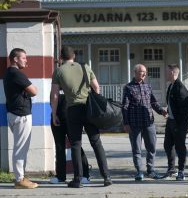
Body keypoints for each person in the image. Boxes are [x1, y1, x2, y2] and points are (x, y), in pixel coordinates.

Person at [50, 46, 112, 188]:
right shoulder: (85, 67)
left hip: (73, 110)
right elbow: (96, 87)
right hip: (89, 108)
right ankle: (106, 177)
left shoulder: (58, 71)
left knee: (76, 144)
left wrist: (54, 114)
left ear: (61, 57)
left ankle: (77, 179)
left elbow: (54, 95)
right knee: (96, 142)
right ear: (74, 56)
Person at [122, 64, 167, 181]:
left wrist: (161, 111)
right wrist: (126, 123)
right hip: (134, 123)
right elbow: (125, 106)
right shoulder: (128, 87)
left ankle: (150, 170)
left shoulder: (148, 86)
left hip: (149, 122)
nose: (144, 74)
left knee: (151, 147)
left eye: (145, 72)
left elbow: (153, 102)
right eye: (142, 72)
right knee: (136, 149)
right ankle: (139, 172)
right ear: (135, 72)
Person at [3, 48, 38, 189]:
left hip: (15, 114)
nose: (26, 61)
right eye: (24, 58)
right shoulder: (16, 73)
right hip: (21, 115)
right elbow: (34, 91)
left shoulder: (9, 73)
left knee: (21, 147)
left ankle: (21, 176)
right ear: (15, 59)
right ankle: (19, 179)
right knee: (20, 148)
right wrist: (28, 90)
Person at [49, 93, 91, 184]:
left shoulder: (72, 80)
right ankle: (60, 176)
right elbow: (53, 97)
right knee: (59, 147)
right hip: (56, 116)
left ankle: (85, 175)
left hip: (71, 118)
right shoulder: (55, 81)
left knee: (76, 145)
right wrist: (54, 114)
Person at [163, 64, 188, 181]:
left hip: (179, 123)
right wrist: (168, 111)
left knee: (180, 146)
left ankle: (181, 171)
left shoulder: (180, 88)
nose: (165, 74)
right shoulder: (171, 86)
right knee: (167, 145)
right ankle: (171, 169)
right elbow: (173, 104)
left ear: (172, 73)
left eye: (167, 72)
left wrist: (179, 125)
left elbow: (187, 109)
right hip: (171, 121)